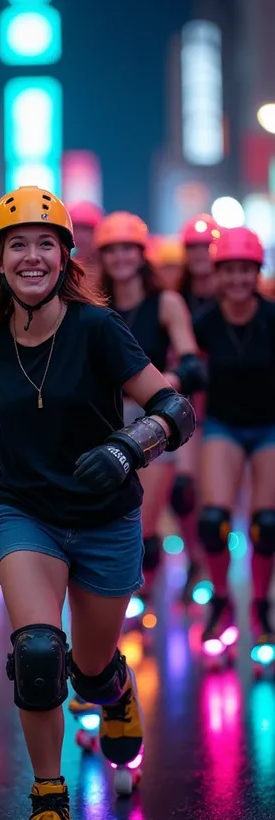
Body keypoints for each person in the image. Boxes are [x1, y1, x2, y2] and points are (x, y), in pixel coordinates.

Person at [0, 186, 195, 820]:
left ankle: (116, 692)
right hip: (27, 513)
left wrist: (129, 448)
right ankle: (49, 793)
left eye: (45, 243)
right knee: (39, 654)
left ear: (66, 256)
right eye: (17, 245)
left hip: (106, 518)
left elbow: (173, 408)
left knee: (93, 670)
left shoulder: (99, 328)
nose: (31, 257)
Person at [94, 211, 205, 612]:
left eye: (128, 249)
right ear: (102, 257)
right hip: (105, 422)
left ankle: (140, 602)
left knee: (145, 523)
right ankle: (125, 600)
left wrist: (156, 385)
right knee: (108, 523)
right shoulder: (94, 305)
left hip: (152, 420)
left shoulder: (166, 302)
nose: (121, 258)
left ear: (142, 254)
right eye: (113, 250)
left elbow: (192, 366)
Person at [194, 226, 275, 653]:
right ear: (218, 274)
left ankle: (262, 608)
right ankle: (222, 600)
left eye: (247, 271)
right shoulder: (204, 322)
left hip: (268, 428)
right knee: (212, 523)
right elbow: (183, 371)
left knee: (266, 526)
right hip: (222, 424)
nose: (239, 280)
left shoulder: (270, 318)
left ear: (257, 273)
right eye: (230, 271)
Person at [170, 214, 222, 602]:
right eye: (193, 249)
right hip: (190, 408)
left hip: (229, 408)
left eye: (206, 247)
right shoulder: (178, 298)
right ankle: (195, 557)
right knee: (184, 492)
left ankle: (216, 566)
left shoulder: (238, 294)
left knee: (222, 504)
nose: (200, 255)